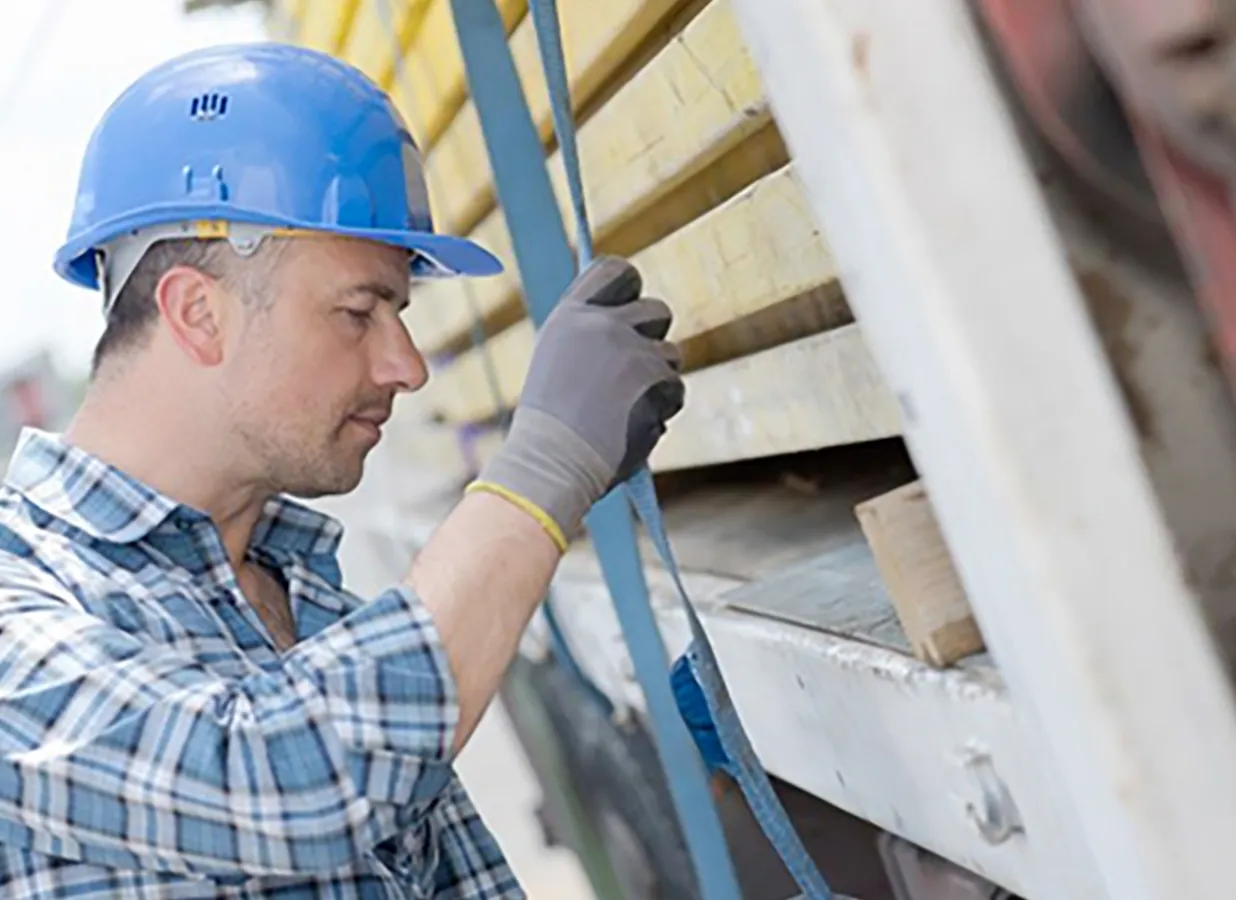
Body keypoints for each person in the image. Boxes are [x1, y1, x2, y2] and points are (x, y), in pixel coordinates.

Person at [0, 42, 683, 898]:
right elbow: (279, 781)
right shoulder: (21, 596)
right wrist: (541, 473)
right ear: (196, 313)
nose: (407, 365)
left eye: (398, 311)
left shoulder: (313, 606)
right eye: (359, 312)